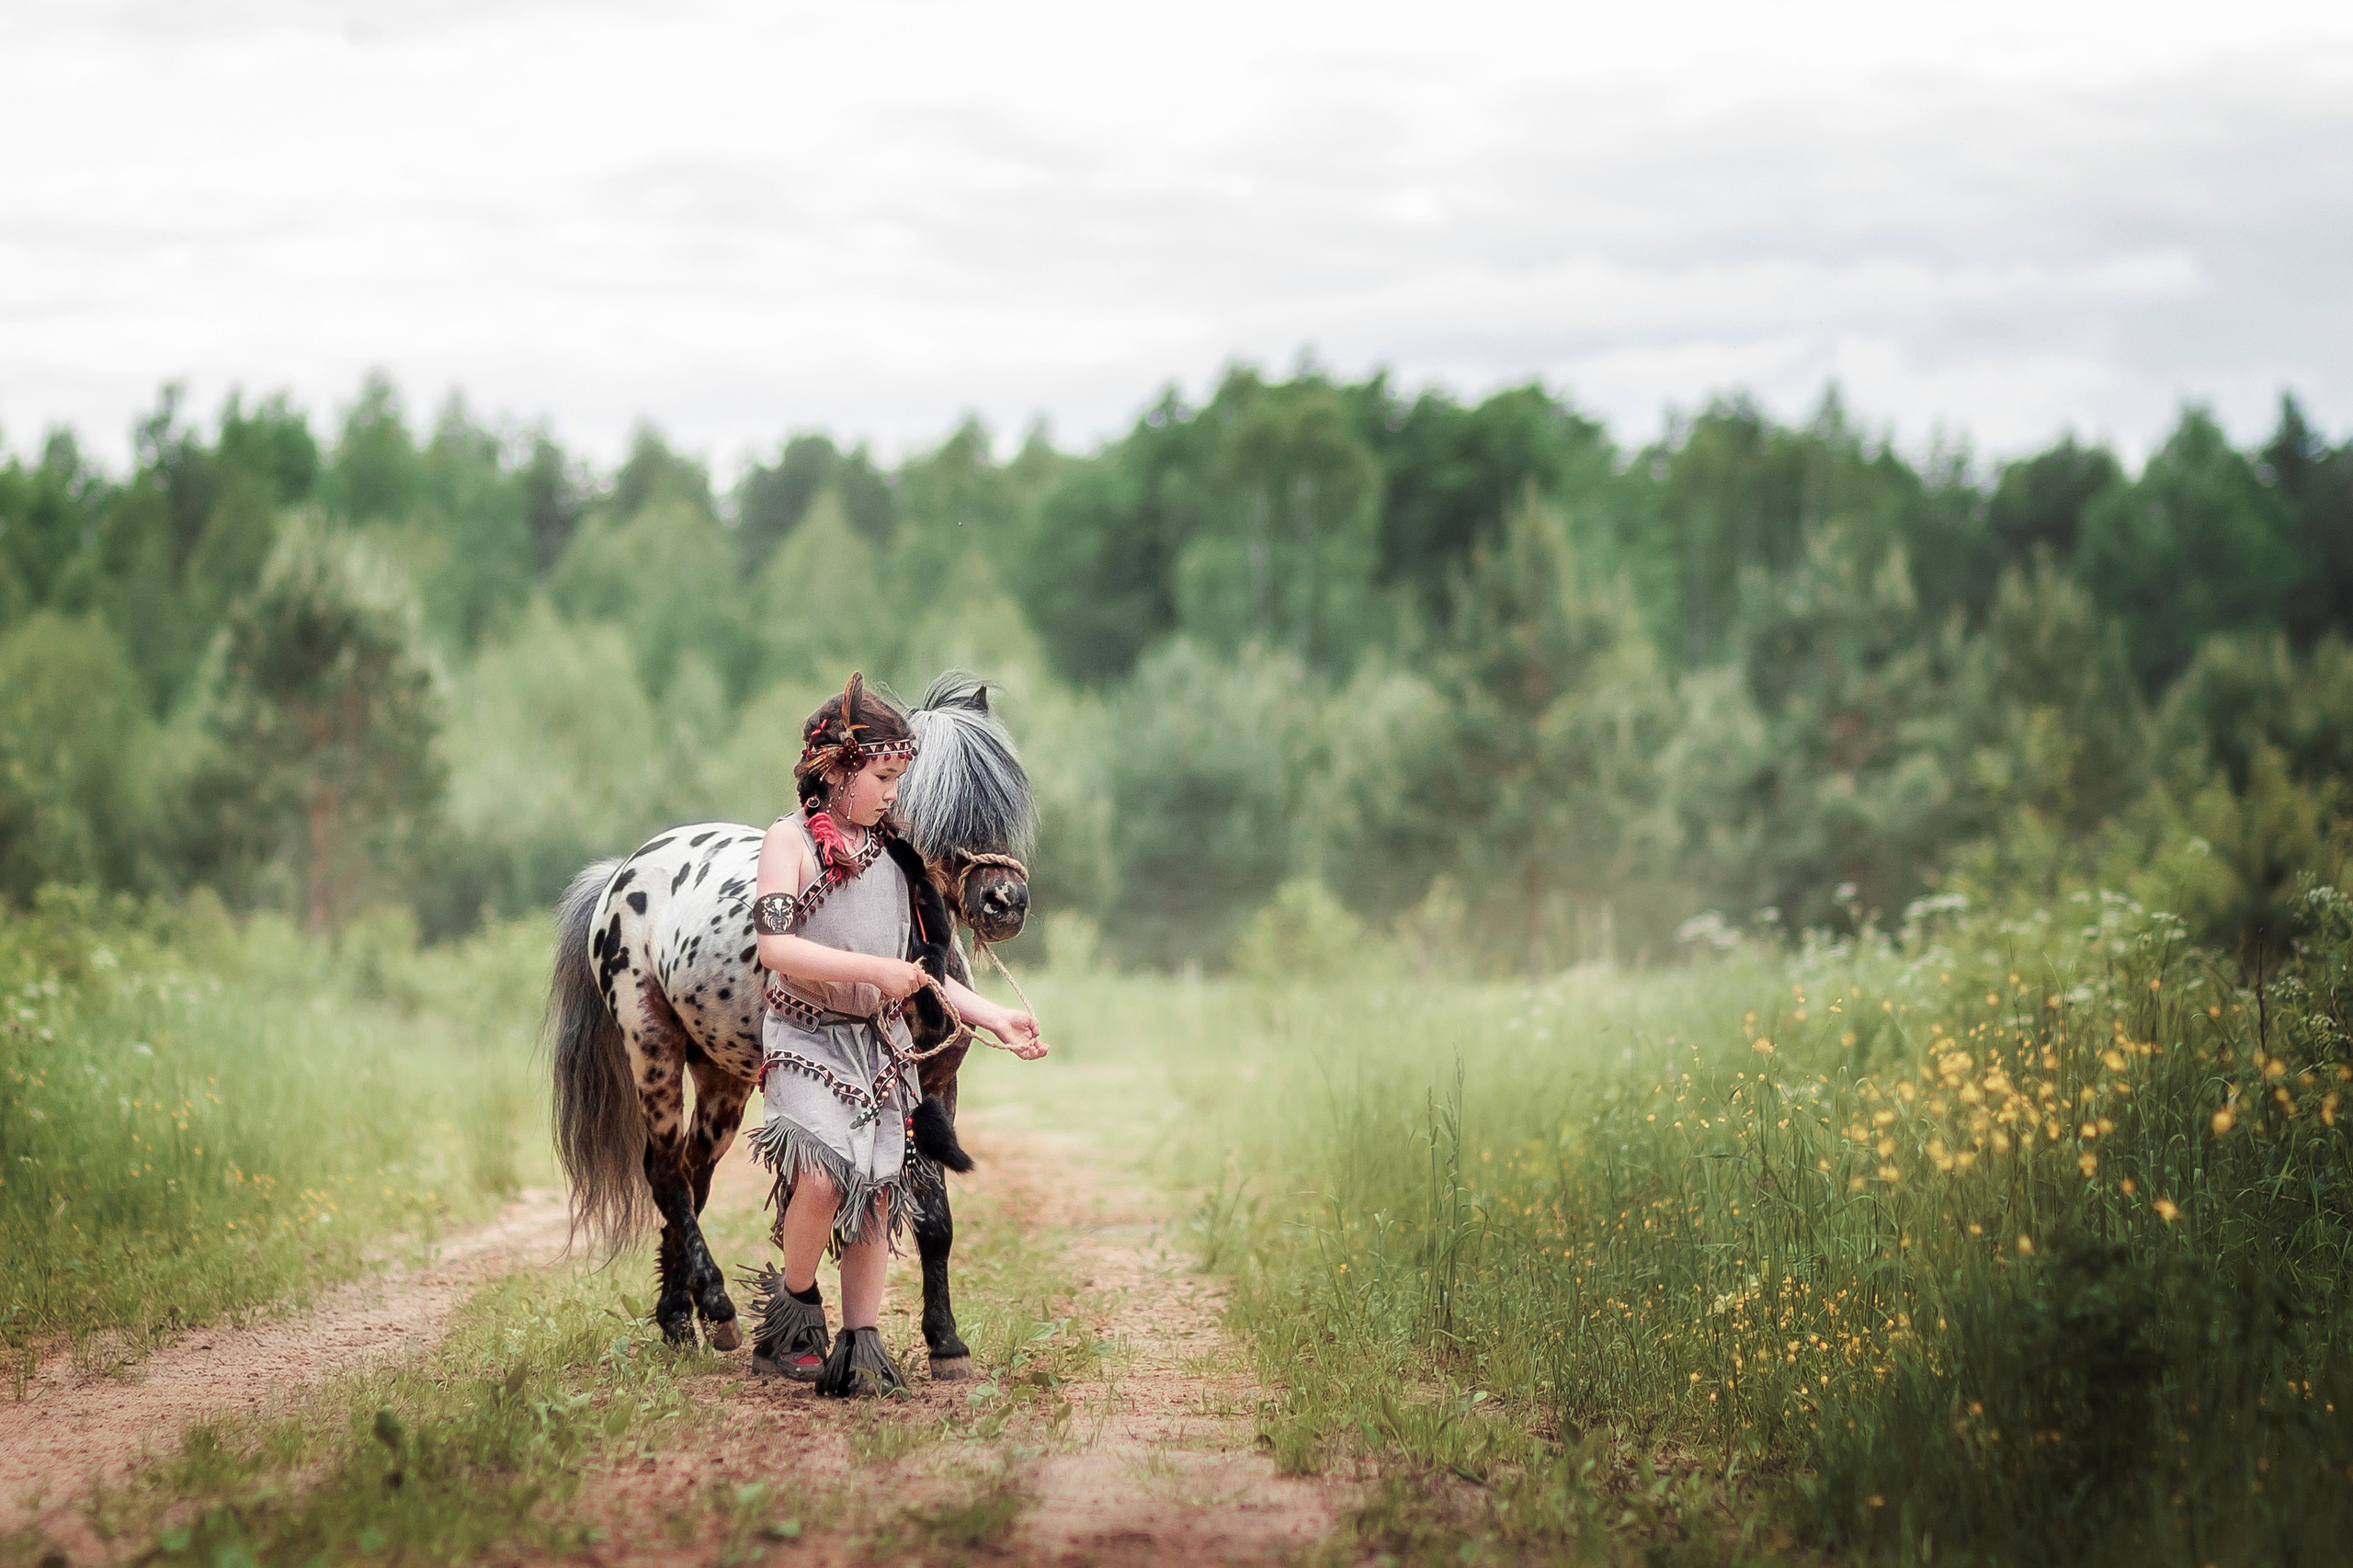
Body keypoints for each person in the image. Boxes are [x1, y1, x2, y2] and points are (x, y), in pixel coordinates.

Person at [745, 674, 1045, 1395]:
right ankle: (793, 1308)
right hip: (808, 1038)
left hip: (878, 1052)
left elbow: (931, 969)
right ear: (837, 768)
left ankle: (862, 1340)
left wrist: (993, 1014)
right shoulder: (788, 843)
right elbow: (776, 950)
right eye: (882, 777)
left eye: (898, 779)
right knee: (818, 1177)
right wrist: (876, 970)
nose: (894, 795)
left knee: (879, 1193)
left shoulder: (903, 861)